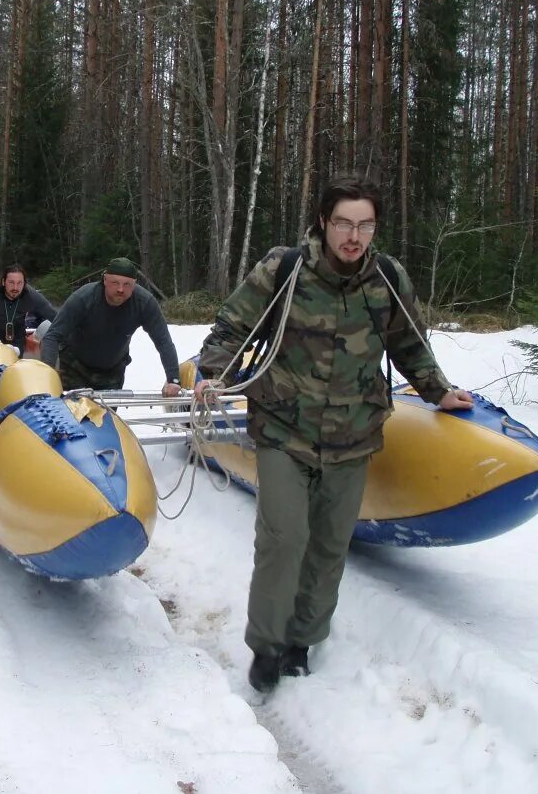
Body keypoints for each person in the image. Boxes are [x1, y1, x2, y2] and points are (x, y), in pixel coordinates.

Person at [194, 176, 473, 694]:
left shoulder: (387, 278)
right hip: (283, 428)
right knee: (284, 538)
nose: (354, 235)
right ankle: (267, 644)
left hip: (354, 435)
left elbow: (410, 345)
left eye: (365, 224)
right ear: (324, 222)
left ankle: (303, 641)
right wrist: (214, 373)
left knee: (328, 546)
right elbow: (232, 326)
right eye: (344, 222)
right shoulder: (284, 269)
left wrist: (439, 392)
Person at [40, 257, 182, 397]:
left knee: (106, 418)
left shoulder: (144, 303)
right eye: (115, 282)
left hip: (112, 371)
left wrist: (173, 379)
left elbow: (163, 342)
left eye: (127, 284)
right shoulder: (83, 298)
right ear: (105, 280)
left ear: (135, 284)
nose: (121, 289)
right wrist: (48, 376)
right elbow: (52, 336)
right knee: (73, 415)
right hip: (75, 366)